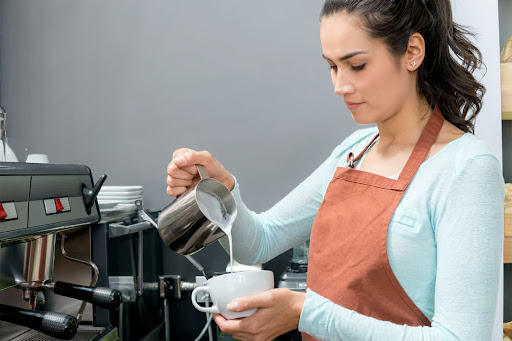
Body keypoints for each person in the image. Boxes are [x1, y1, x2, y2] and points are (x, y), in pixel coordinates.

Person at [166, 0, 504, 340]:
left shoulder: (465, 169)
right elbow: (260, 242)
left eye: (356, 65)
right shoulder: (354, 150)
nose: (339, 85)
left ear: (412, 52)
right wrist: (222, 191)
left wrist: (306, 313)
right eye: (332, 66)